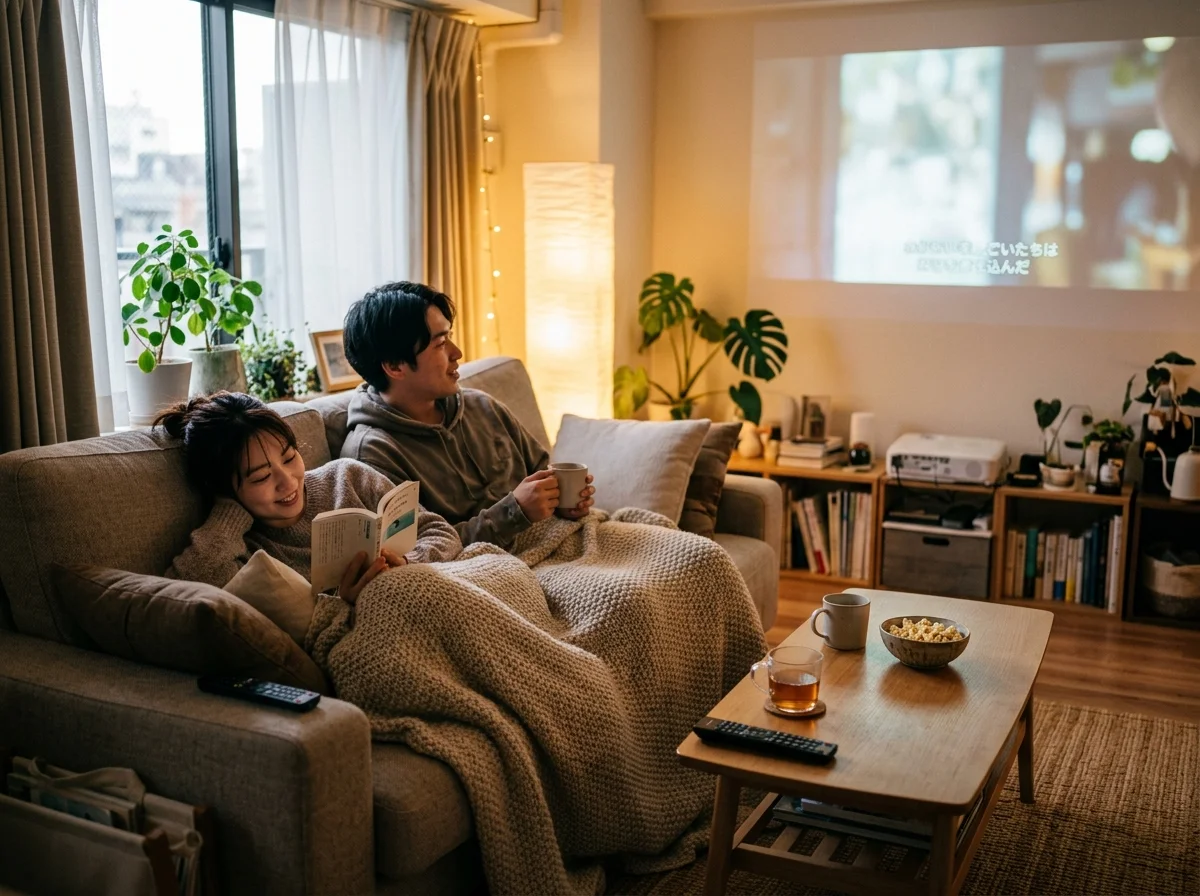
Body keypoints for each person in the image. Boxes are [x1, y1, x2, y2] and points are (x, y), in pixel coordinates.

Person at [339, 281, 593, 547]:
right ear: (394, 366)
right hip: (494, 570)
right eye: (440, 344)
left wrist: (563, 502)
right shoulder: (372, 456)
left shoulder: (482, 406)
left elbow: (543, 474)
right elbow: (418, 552)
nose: (457, 353)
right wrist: (514, 513)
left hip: (560, 540)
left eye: (449, 337)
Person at [159, 392, 461, 602]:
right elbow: (179, 593)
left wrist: (408, 563)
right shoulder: (248, 552)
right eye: (261, 477)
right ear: (226, 490)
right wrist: (228, 512)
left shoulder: (348, 477)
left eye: (290, 457)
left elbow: (441, 532)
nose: (287, 481)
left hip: (434, 585)